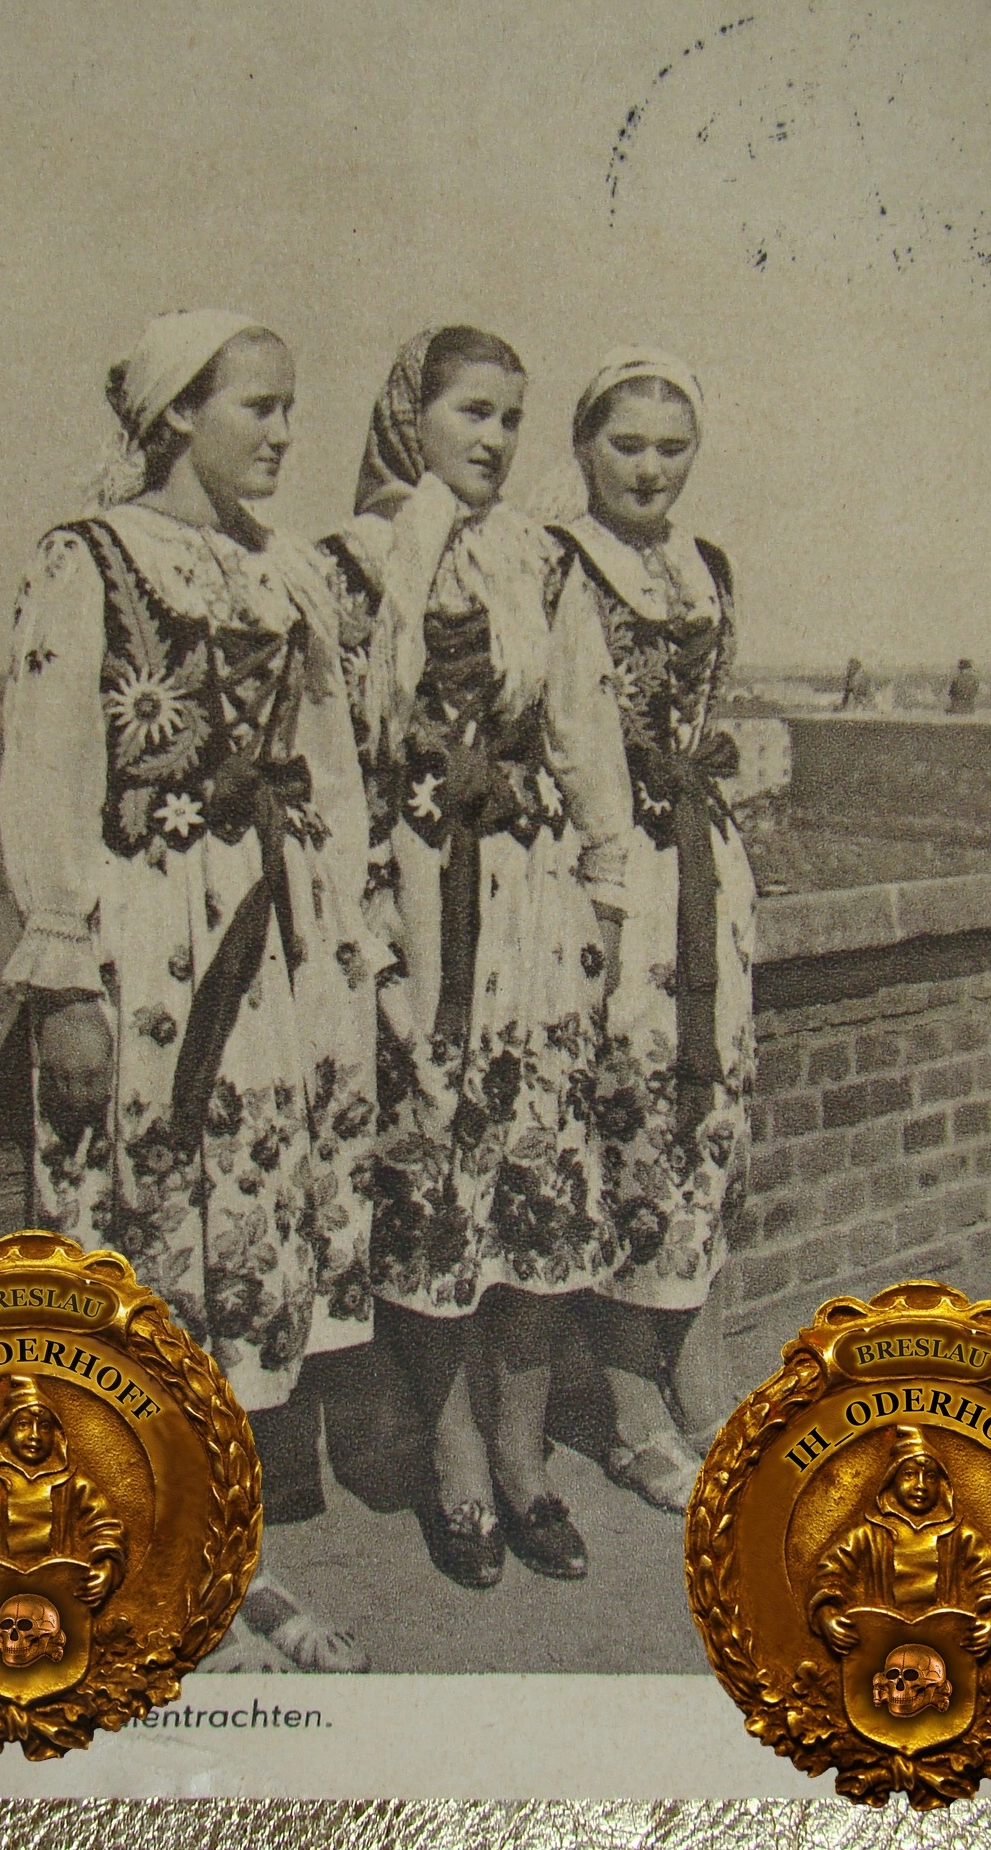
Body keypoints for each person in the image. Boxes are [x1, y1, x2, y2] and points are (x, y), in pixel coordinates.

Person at [0, 309, 382, 1670]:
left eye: (290, 407)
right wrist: (62, 971)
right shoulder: (89, 560)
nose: (283, 432)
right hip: (151, 944)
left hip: (272, 944)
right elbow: (49, 762)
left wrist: (345, 938)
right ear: (176, 416)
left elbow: (331, 764)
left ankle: (227, 1562)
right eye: (256, 407)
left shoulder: (286, 572)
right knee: (153, 1232)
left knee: (246, 1236)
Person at [324, 327, 633, 1590]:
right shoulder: (348, 567)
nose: (496, 438)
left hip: (533, 907)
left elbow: (586, 736)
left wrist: (607, 898)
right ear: (412, 418)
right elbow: (333, 763)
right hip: (416, 906)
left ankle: (523, 1452)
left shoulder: (541, 565)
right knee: (435, 1190)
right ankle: (455, 1457)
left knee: (541, 1182)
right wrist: (367, 936)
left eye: (512, 415)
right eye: (471, 411)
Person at [528, 349, 757, 1515]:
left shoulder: (706, 564)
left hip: (706, 870)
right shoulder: (560, 564)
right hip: (616, 879)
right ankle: (630, 1408)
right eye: (626, 444)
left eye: (672, 446)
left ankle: (700, 1380)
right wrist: (606, 881)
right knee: (623, 1120)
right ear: (583, 446)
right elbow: (567, 734)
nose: (650, 467)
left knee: (705, 1117)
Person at [809, 1425, 991, 1656]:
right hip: (877, 1648)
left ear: (942, 1485)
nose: (920, 1485)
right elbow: (830, 1575)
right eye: (909, 1474)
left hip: (948, 1649)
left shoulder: (961, 1536)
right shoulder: (867, 1534)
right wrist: (827, 1616)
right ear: (891, 1479)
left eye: (931, 1477)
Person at [0, 1377, 126, 1604]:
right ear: (5, 1429)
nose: (34, 1435)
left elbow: (105, 1529)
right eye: (23, 1425)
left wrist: (106, 1569)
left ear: (57, 1435)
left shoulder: (75, 1486)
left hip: (62, 1598)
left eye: (45, 1427)